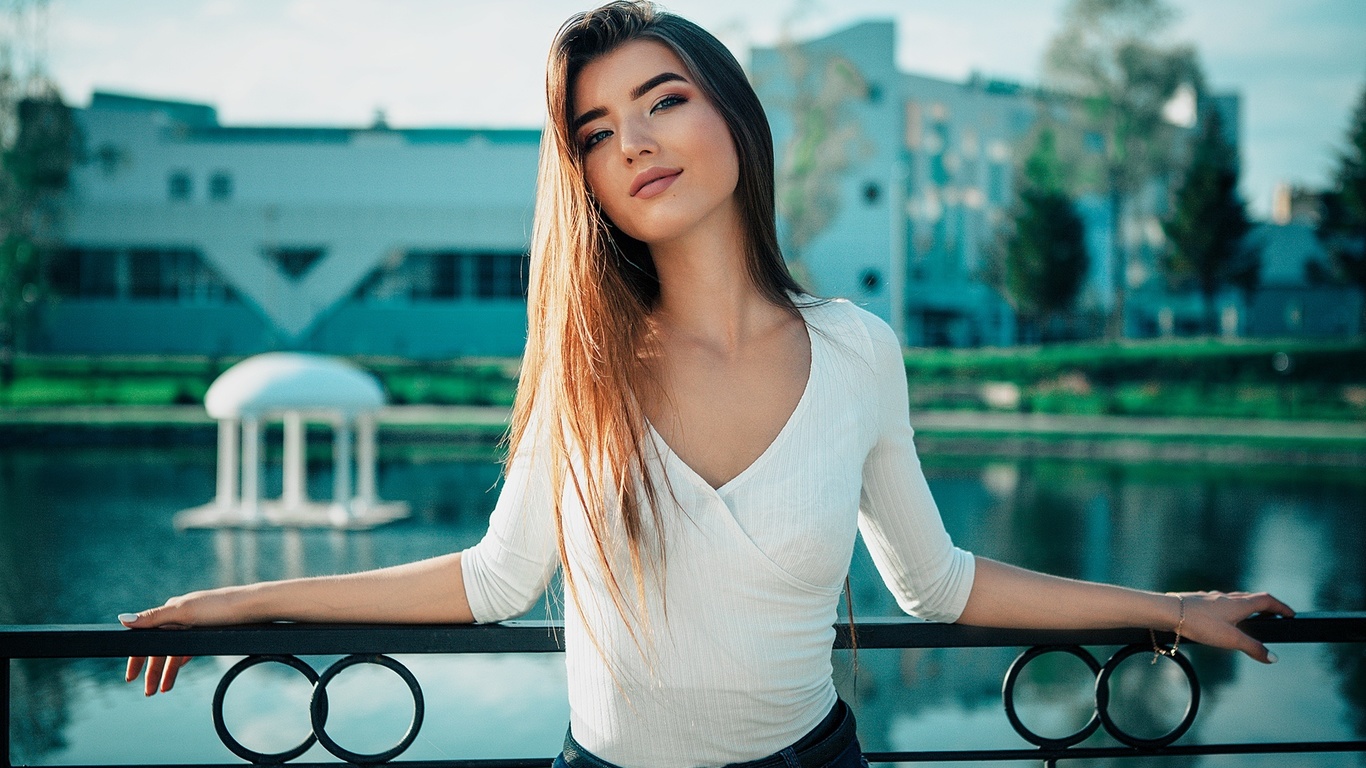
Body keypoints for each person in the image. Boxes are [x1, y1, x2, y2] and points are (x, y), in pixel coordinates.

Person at [119, 3, 1294, 767]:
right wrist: (230, 605)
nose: (632, 140)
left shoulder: (856, 350)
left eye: (663, 99)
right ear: (579, 170)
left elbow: (935, 585)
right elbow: (493, 580)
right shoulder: (583, 362)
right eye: (594, 129)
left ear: (731, 114)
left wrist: (1173, 613)